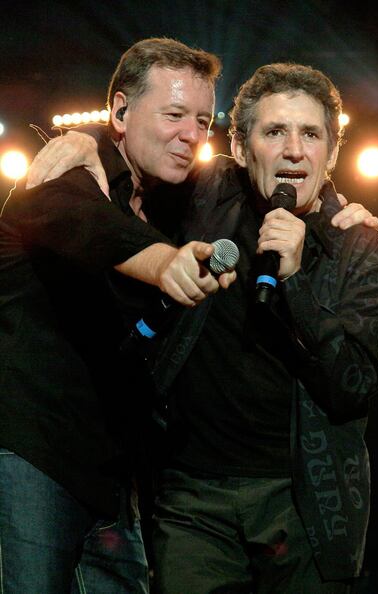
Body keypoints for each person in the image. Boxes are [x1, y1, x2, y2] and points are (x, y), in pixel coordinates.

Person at [26, 55, 378, 593]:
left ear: (331, 151)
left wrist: (297, 287)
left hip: (307, 503)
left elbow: (355, 386)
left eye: (311, 134)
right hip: (192, 500)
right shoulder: (203, 193)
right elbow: (140, 155)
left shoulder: (360, 247)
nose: (294, 149)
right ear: (241, 148)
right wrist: (91, 140)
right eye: (274, 132)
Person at [0, 37, 235, 594]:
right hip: (34, 458)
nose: (192, 135)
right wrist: (165, 264)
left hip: (112, 480)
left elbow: (247, 181)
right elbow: (78, 220)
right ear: (122, 113)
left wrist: (333, 210)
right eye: (174, 115)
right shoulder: (69, 171)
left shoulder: (170, 198)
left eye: (203, 119)